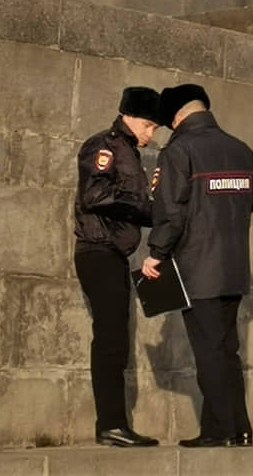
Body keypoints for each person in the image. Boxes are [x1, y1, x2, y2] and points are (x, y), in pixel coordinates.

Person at [141, 84, 253, 448]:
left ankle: (219, 430)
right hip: (234, 268)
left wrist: (156, 253)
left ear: (178, 115)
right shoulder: (241, 149)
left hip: (198, 268)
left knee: (209, 352)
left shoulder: (180, 150)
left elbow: (170, 211)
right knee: (227, 350)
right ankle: (239, 429)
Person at [74, 86, 163, 447]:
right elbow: (94, 195)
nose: (150, 134)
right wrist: (144, 209)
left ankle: (113, 423)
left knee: (115, 339)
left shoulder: (128, 152)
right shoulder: (105, 147)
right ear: (129, 117)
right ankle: (110, 424)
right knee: (111, 340)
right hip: (98, 250)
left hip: (112, 253)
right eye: (148, 125)